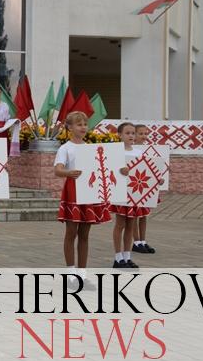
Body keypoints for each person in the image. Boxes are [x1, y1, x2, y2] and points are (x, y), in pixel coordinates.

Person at [54, 111, 110, 291]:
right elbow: (58, 170)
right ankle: (70, 275)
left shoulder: (91, 148)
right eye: (79, 124)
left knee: (85, 235)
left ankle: (82, 275)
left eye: (85, 123)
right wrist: (68, 173)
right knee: (71, 233)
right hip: (73, 192)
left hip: (89, 192)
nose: (83, 127)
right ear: (69, 128)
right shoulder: (65, 148)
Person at [110, 122, 141, 269]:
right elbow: (110, 171)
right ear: (120, 135)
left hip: (134, 193)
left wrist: (156, 179)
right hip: (120, 193)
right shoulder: (115, 152)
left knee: (131, 225)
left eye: (133, 133)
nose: (131, 136)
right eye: (127, 133)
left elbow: (143, 171)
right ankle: (118, 257)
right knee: (120, 224)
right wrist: (119, 170)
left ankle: (127, 257)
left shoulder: (138, 152)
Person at [132, 124, 156, 254]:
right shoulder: (131, 150)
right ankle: (136, 241)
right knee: (135, 215)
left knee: (144, 214)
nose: (143, 136)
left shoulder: (149, 150)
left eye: (145, 133)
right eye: (140, 133)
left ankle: (143, 240)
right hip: (134, 186)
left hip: (144, 186)